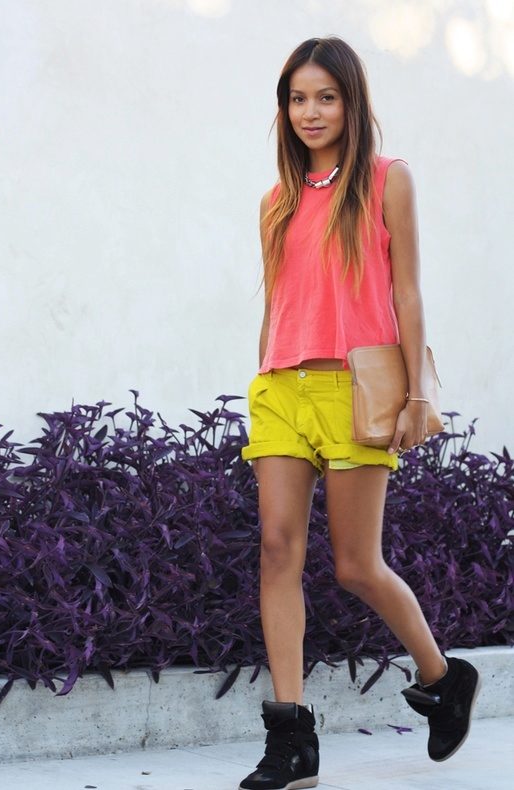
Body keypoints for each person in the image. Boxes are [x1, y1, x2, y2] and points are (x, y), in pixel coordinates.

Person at [238, 36, 481, 790]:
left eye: (326, 97)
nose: (309, 112)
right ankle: (291, 740)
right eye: (297, 98)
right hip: (282, 388)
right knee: (277, 549)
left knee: (354, 565)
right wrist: (263, 375)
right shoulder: (276, 202)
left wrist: (417, 395)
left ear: (351, 102)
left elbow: (406, 290)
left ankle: (443, 677)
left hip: (357, 389)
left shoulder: (386, 180)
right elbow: (279, 302)